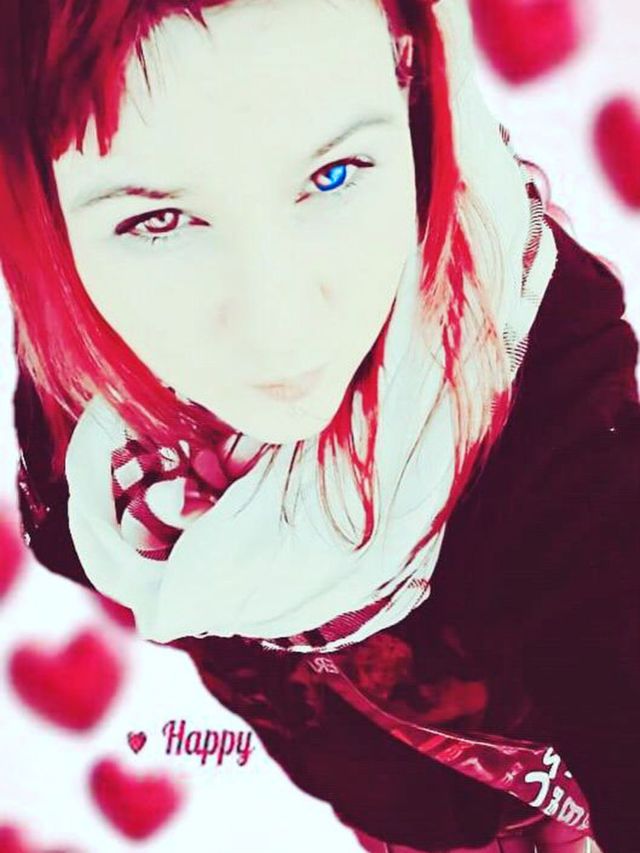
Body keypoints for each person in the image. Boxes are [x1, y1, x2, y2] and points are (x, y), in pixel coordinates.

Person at [2, 0, 638, 850]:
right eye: (156, 221)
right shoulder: (87, 397)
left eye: (335, 173)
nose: (282, 332)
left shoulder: (546, 406)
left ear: (408, 75)